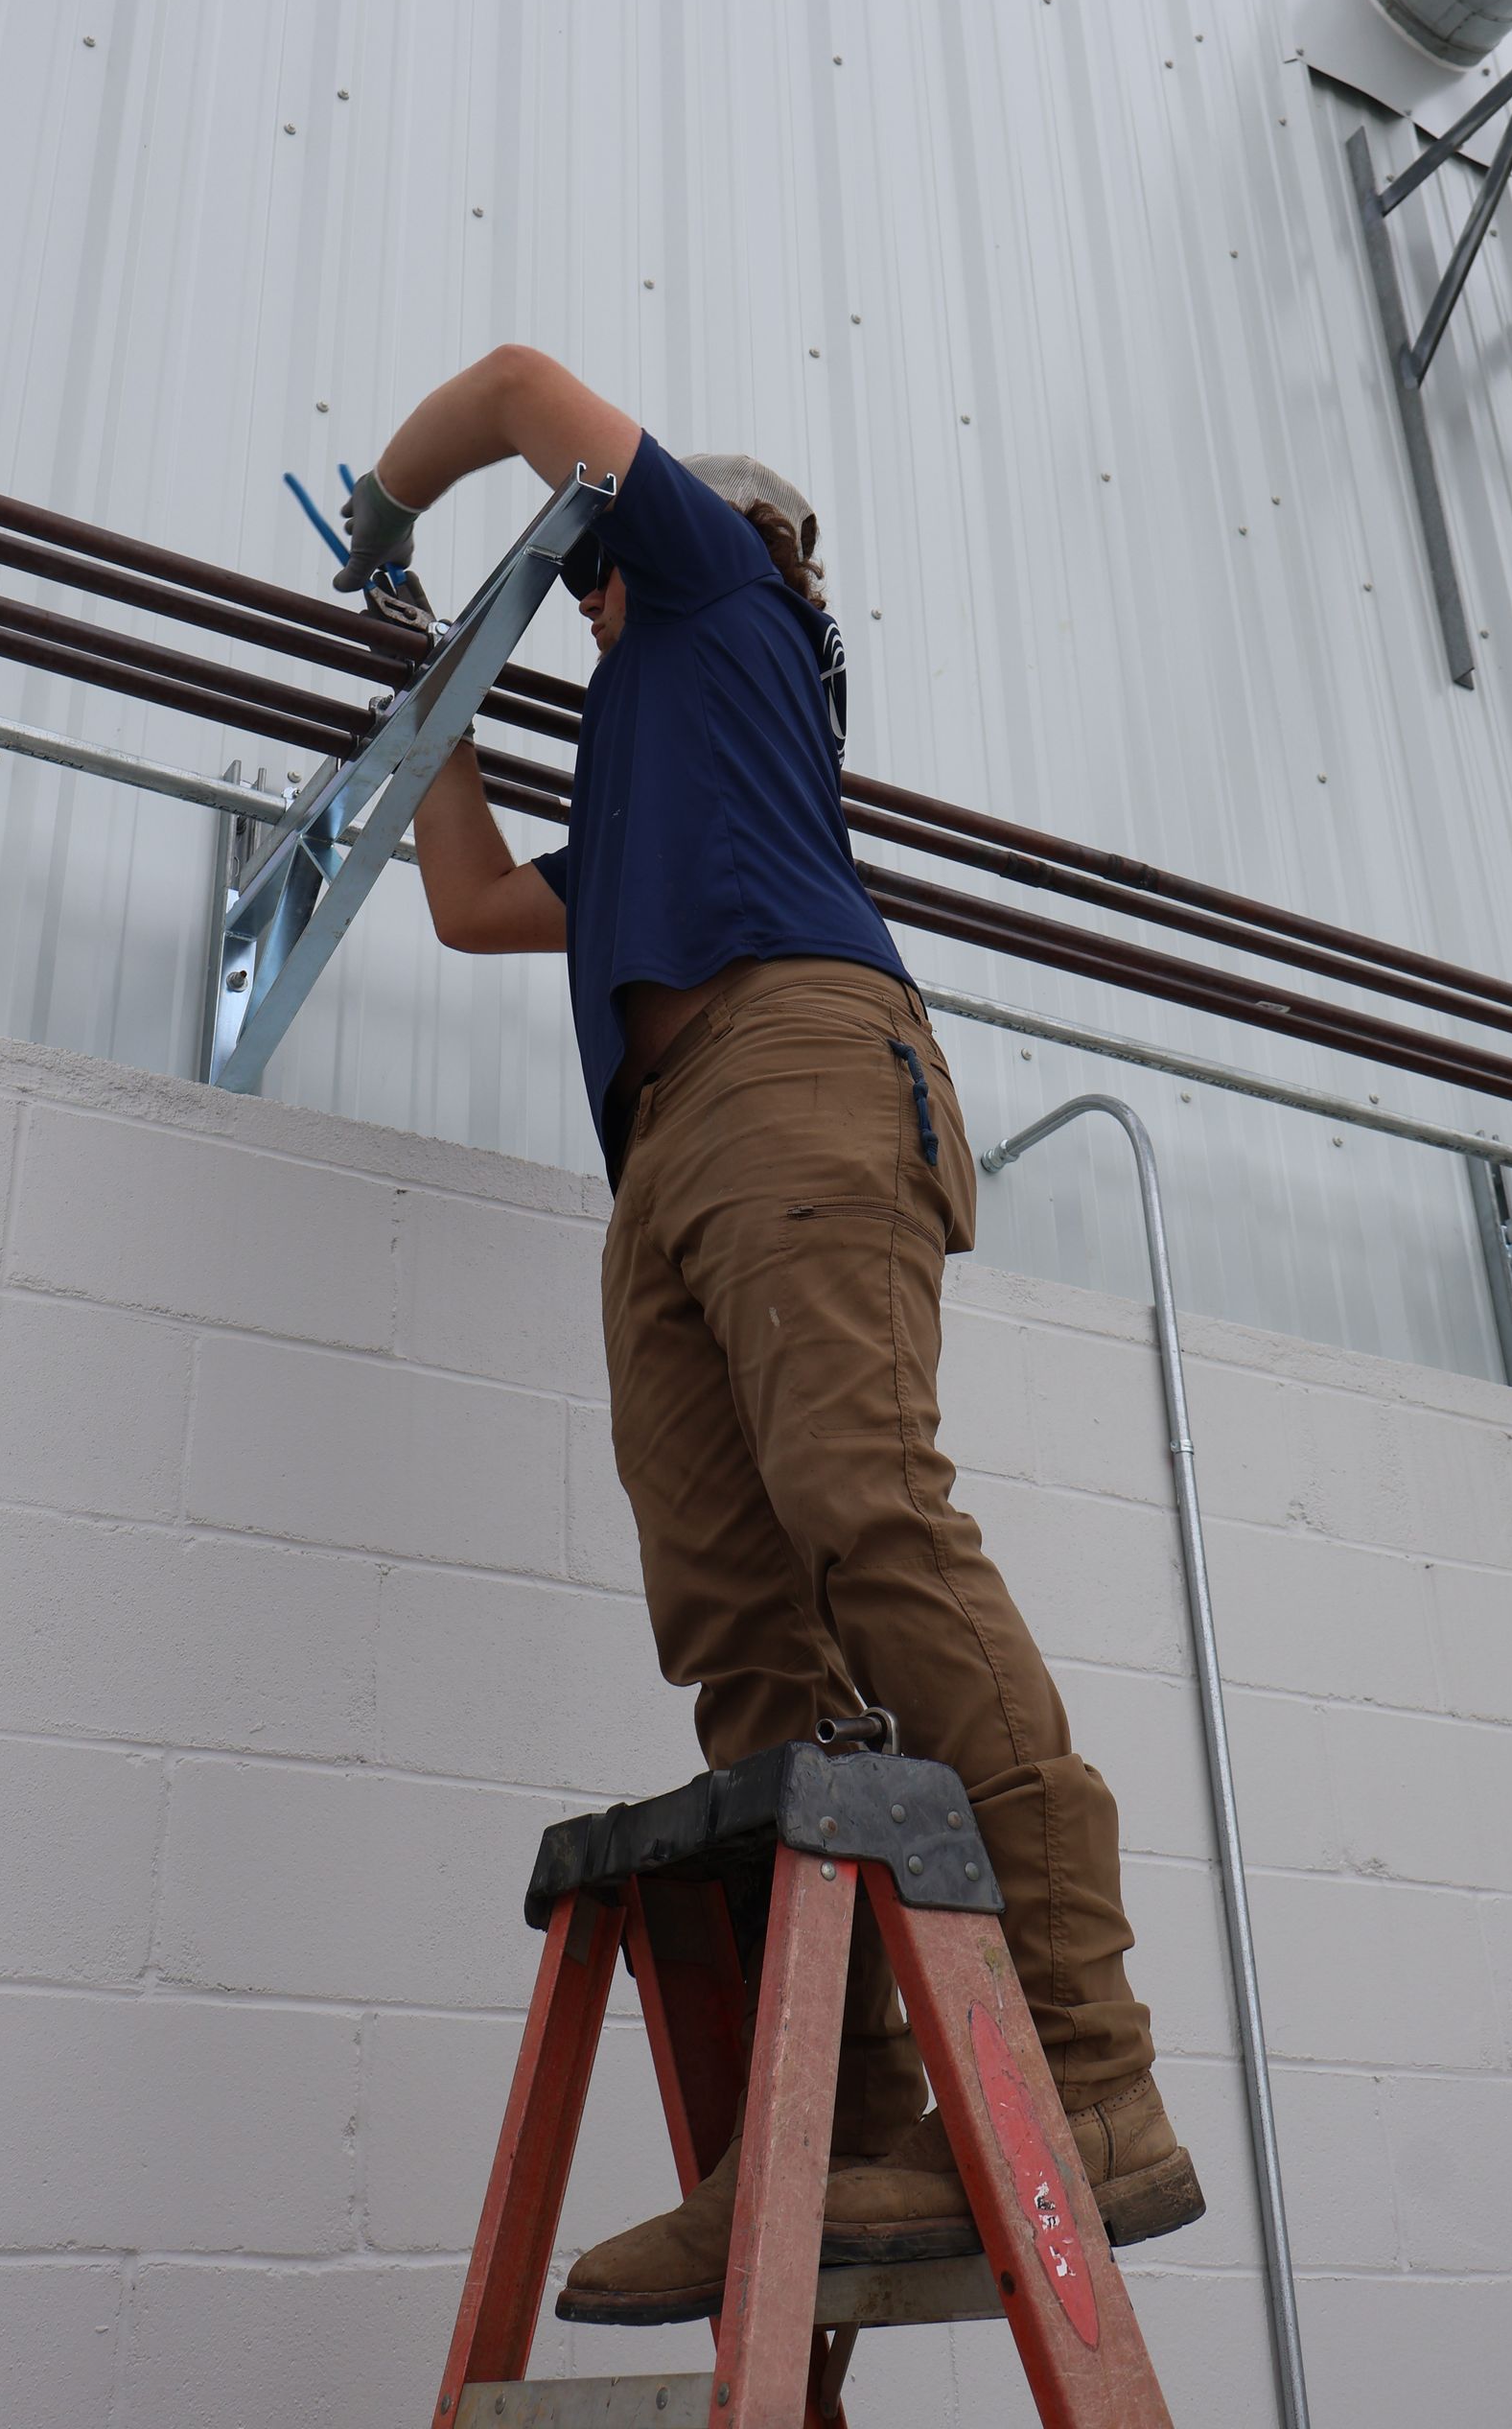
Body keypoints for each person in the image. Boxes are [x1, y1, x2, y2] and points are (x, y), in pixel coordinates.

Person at [337, 342, 1204, 2325]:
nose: (581, 595)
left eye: (583, 569)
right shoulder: (649, 779)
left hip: (800, 1066)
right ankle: (839, 2130)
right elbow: (470, 903)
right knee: (739, 1620)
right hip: (662, 1155)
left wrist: (389, 520)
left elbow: (509, 381)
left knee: (858, 1507)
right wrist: (423, 670)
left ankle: (1093, 2062)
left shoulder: (731, 603)